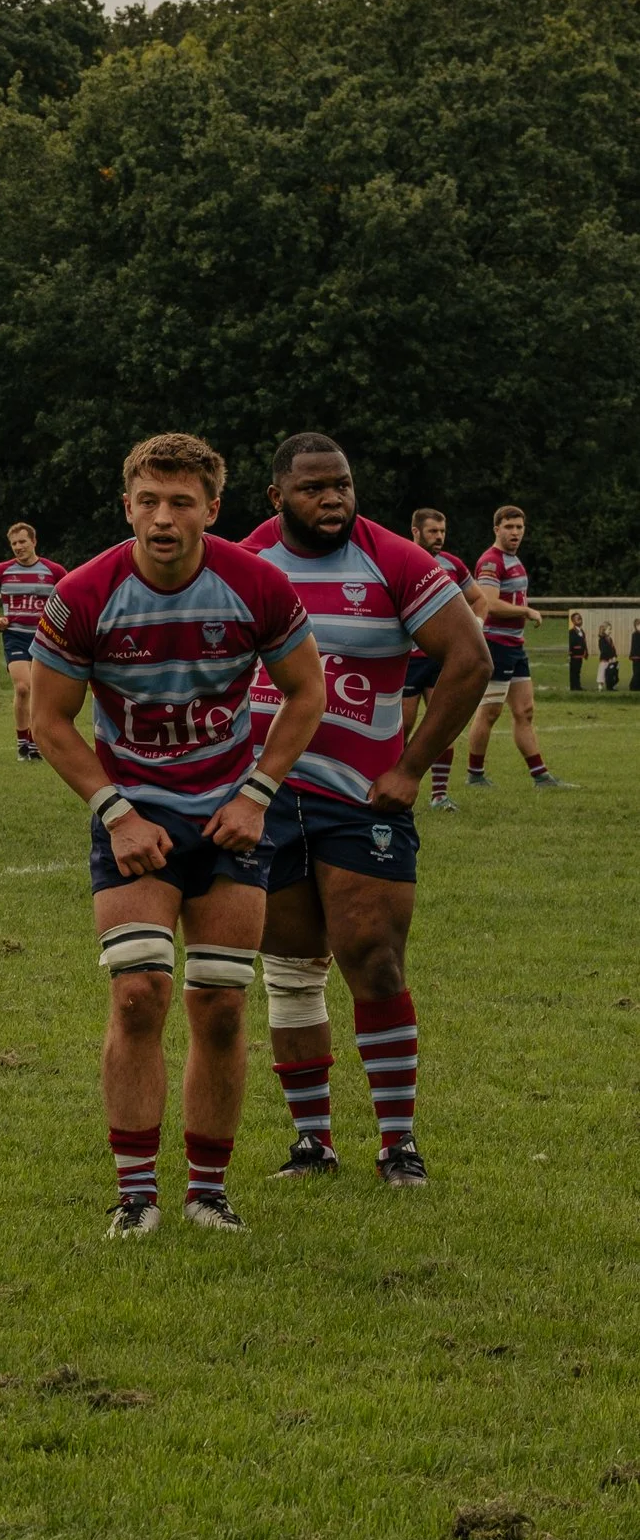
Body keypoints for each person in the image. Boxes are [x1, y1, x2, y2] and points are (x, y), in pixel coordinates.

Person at [29, 433, 323, 1239]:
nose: (164, 518)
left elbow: (306, 693)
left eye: (181, 501)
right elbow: (47, 718)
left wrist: (258, 794)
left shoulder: (258, 583)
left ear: (212, 508)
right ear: (126, 505)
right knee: (137, 993)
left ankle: (207, 1189)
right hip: (134, 817)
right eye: (149, 501)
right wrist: (115, 811)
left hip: (230, 817)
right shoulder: (85, 593)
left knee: (222, 1005)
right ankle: (134, 1192)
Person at [241, 435, 488, 1188]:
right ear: (277, 496)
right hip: (265, 799)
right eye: (314, 488)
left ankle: (397, 1143)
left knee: (374, 958)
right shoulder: (245, 562)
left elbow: (470, 657)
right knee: (288, 969)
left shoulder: (394, 559)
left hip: (361, 797)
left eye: (342, 485)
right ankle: (312, 1142)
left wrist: (412, 766)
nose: (334, 499)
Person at [465, 506, 566, 788]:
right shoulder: (490, 561)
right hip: (497, 644)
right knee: (490, 711)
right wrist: (525, 611)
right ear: (496, 529)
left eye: (519, 527)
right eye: (509, 527)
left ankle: (541, 776)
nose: (515, 532)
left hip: (514, 645)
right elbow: (489, 602)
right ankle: (475, 775)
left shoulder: (514, 560)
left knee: (525, 711)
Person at [397, 509, 483, 811]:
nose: (439, 537)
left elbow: (479, 598)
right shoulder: (401, 559)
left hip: (440, 661)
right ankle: (390, 787)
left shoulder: (452, 565)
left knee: (441, 724)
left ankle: (439, 795)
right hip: (407, 661)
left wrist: (475, 630)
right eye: (433, 531)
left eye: (442, 531)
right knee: (401, 727)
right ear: (416, 531)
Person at [0, 523, 66, 760]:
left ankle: (35, 742)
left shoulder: (54, 571)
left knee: (39, 690)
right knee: (23, 687)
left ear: (34, 542)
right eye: (14, 543)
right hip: (15, 636)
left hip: (44, 638)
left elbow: (69, 597)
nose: (18, 547)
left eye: (22, 542)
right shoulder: (2, 570)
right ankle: (22, 743)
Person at [567, 611, 588, 690]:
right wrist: (570, 653)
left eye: (580, 618)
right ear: (573, 621)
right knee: (573, 672)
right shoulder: (571, 632)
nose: (580, 620)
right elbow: (571, 644)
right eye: (577, 618)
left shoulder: (582, 632)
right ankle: (573, 687)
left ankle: (577, 686)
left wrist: (586, 652)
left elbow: (584, 643)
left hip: (580, 655)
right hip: (574, 655)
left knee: (578, 672)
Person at [598, 619, 618, 692]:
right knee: (602, 673)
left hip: (611, 660)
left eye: (611, 629)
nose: (610, 631)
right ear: (604, 630)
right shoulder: (601, 640)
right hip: (604, 660)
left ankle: (611, 686)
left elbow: (613, 648)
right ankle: (600, 687)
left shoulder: (610, 639)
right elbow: (604, 650)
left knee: (611, 673)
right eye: (609, 629)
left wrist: (615, 656)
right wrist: (609, 657)